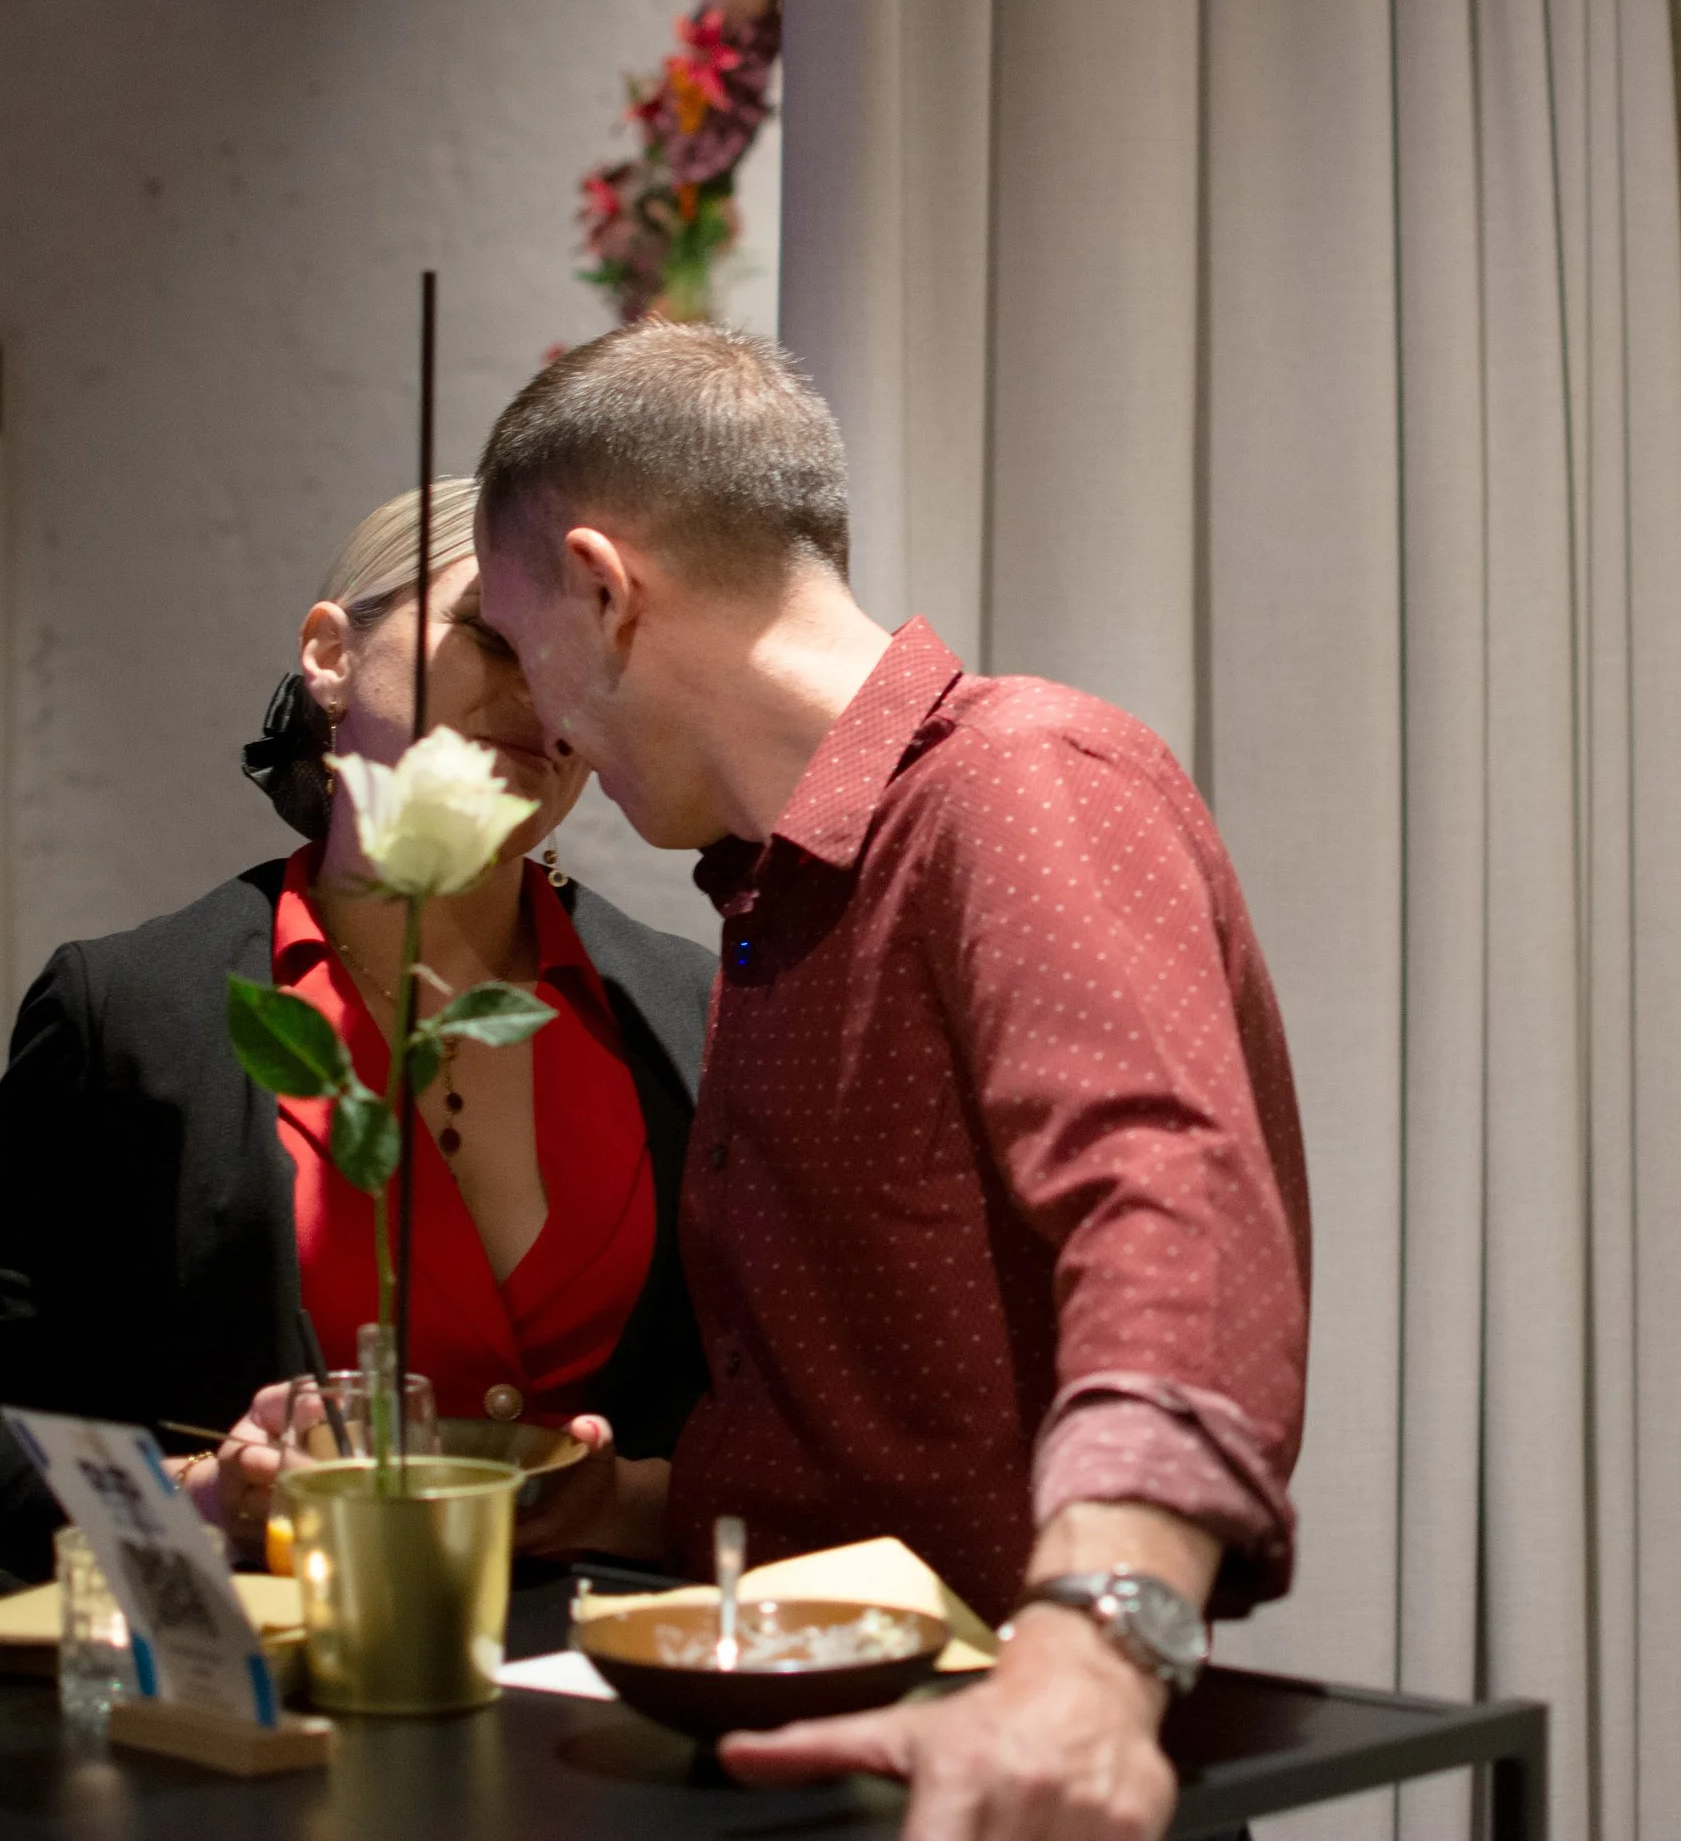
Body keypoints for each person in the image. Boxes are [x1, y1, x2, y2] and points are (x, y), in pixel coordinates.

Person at [471, 323, 1310, 1841]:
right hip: (832, 1753)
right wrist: (631, 1502)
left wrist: (1100, 1649)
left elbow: (1171, 1210)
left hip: (1006, 1776)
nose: (548, 727)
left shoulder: (1017, 781)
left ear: (603, 590)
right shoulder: (775, 905)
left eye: (528, 655)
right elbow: (888, 1448)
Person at [0, 479, 715, 1580]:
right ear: (330, 652)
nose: (545, 686)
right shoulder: (134, 1013)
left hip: (597, 1708)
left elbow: (787, 1428)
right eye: (497, 633)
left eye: (586, 655)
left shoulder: (694, 1013)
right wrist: (210, 1502)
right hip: (270, 1711)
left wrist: (620, 1502)